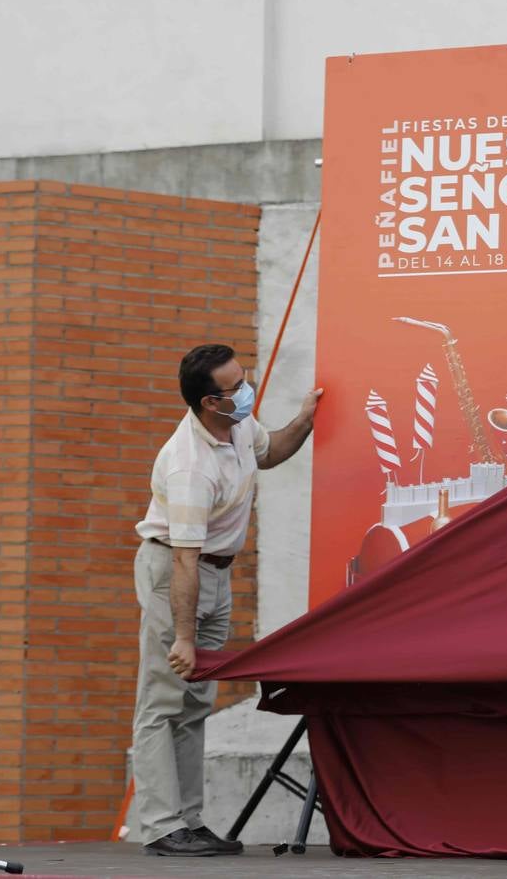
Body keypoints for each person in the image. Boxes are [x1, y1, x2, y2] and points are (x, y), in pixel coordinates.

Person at [131, 344, 321, 857]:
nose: (247, 390)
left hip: (214, 572)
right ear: (210, 403)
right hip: (176, 574)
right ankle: (161, 826)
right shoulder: (189, 467)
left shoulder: (236, 426)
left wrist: (305, 419)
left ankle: (189, 821)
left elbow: (270, 451)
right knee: (162, 701)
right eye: (237, 386)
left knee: (195, 702)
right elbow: (183, 559)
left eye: (245, 378)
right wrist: (184, 638)